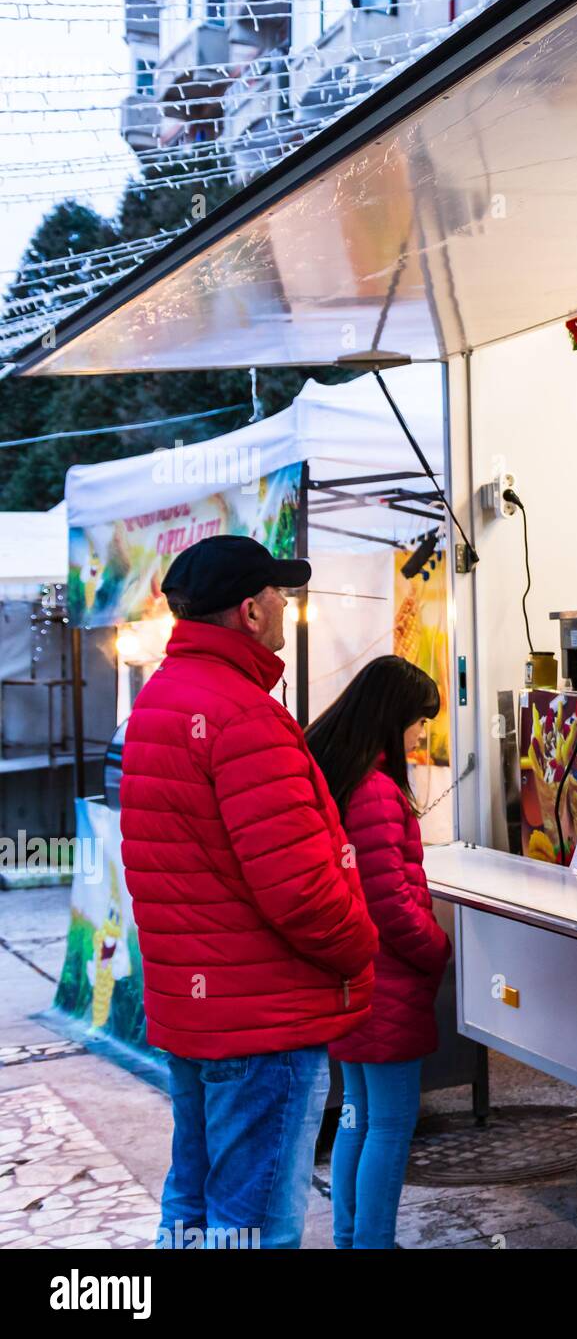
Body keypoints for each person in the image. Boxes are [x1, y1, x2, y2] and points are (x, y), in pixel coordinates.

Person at [120, 536, 378, 1250]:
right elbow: (301, 890)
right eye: (278, 595)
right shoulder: (243, 714)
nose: (284, 605)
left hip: (198, 1011)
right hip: (261, 1021)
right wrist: (361, 945)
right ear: (250, 611)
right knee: (255, 1224)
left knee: (195, 1208)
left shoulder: (161, 701)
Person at [305, 656, 451, 1250]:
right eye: (420, 720)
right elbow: (390, 902)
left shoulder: (343, 777)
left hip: (353, 980)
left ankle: (352, 1237)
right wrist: (437, 949)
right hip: (387, 982)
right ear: (395, 717)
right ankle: (371, 1242)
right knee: (389, 1124)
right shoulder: (375, 791)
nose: (423, 733)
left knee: (355, 1118)